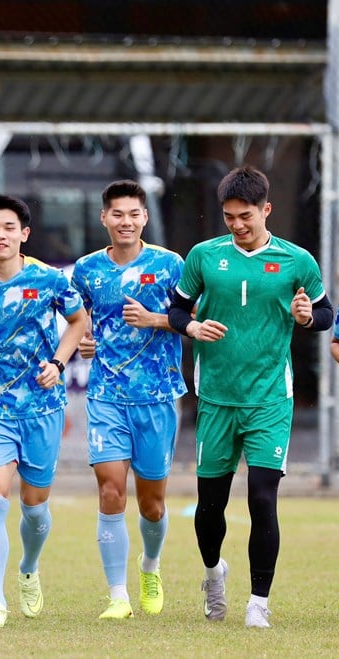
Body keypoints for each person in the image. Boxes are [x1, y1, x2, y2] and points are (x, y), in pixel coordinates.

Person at [168, 166, 334, 629]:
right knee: (209, 506)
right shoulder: (203, 256)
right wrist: (192, 327)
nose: (237, 225)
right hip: (217, 398)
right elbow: (177, 308)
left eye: (245, 216)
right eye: (228, 217)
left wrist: (306, 317)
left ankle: (258, 602)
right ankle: (213, 573)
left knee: (262, 498)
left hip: (269, 399)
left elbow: (323, 313)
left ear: (266, 210)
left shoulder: (297, 259)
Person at [0, 194, 88, 628]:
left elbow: (79, 322)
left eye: (9, 227)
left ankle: (29, 567)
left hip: (42, 406)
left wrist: (59, 363)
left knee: (35, 505)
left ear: (23, 234)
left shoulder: (49, 279)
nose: (0, 234)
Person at [71, 180, 187, 620]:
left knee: (152, 502)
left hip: (157, 397)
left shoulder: (170, 265)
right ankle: (117, 595)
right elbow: (75, 319)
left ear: (144, 218)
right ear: (104, 218)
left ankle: (150, 567)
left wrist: (156, 319)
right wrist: (81, 339)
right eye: (117, 214)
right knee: (110, 491)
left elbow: (194, 318)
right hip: (105, 395)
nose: (125, 222)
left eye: (133, 214)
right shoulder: (85, 270)